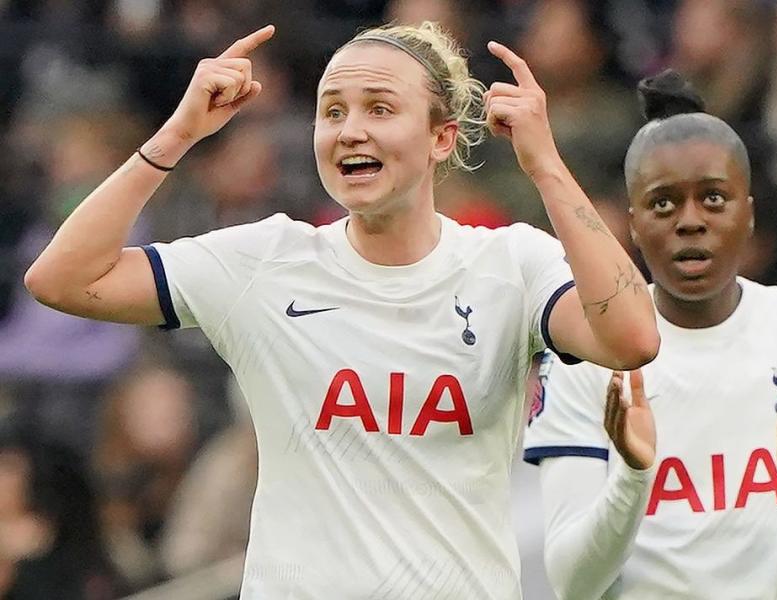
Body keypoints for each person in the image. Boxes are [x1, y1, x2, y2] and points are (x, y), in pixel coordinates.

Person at [23, 21, 660, 599]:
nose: (350, 129)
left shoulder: (511, 263)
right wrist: (180, 131)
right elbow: (62, 279)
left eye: (379, 108)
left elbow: (632, 337)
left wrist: (546, 165)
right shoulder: (265, 261)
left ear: (442, 137)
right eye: (332, 111)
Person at [523, 71, 777, 600]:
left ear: (749, 213)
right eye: (664, 204)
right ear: (632, 223)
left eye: (714, 199)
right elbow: (571, 582)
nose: (690, 222)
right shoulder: (588, 351)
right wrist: (632, 475)